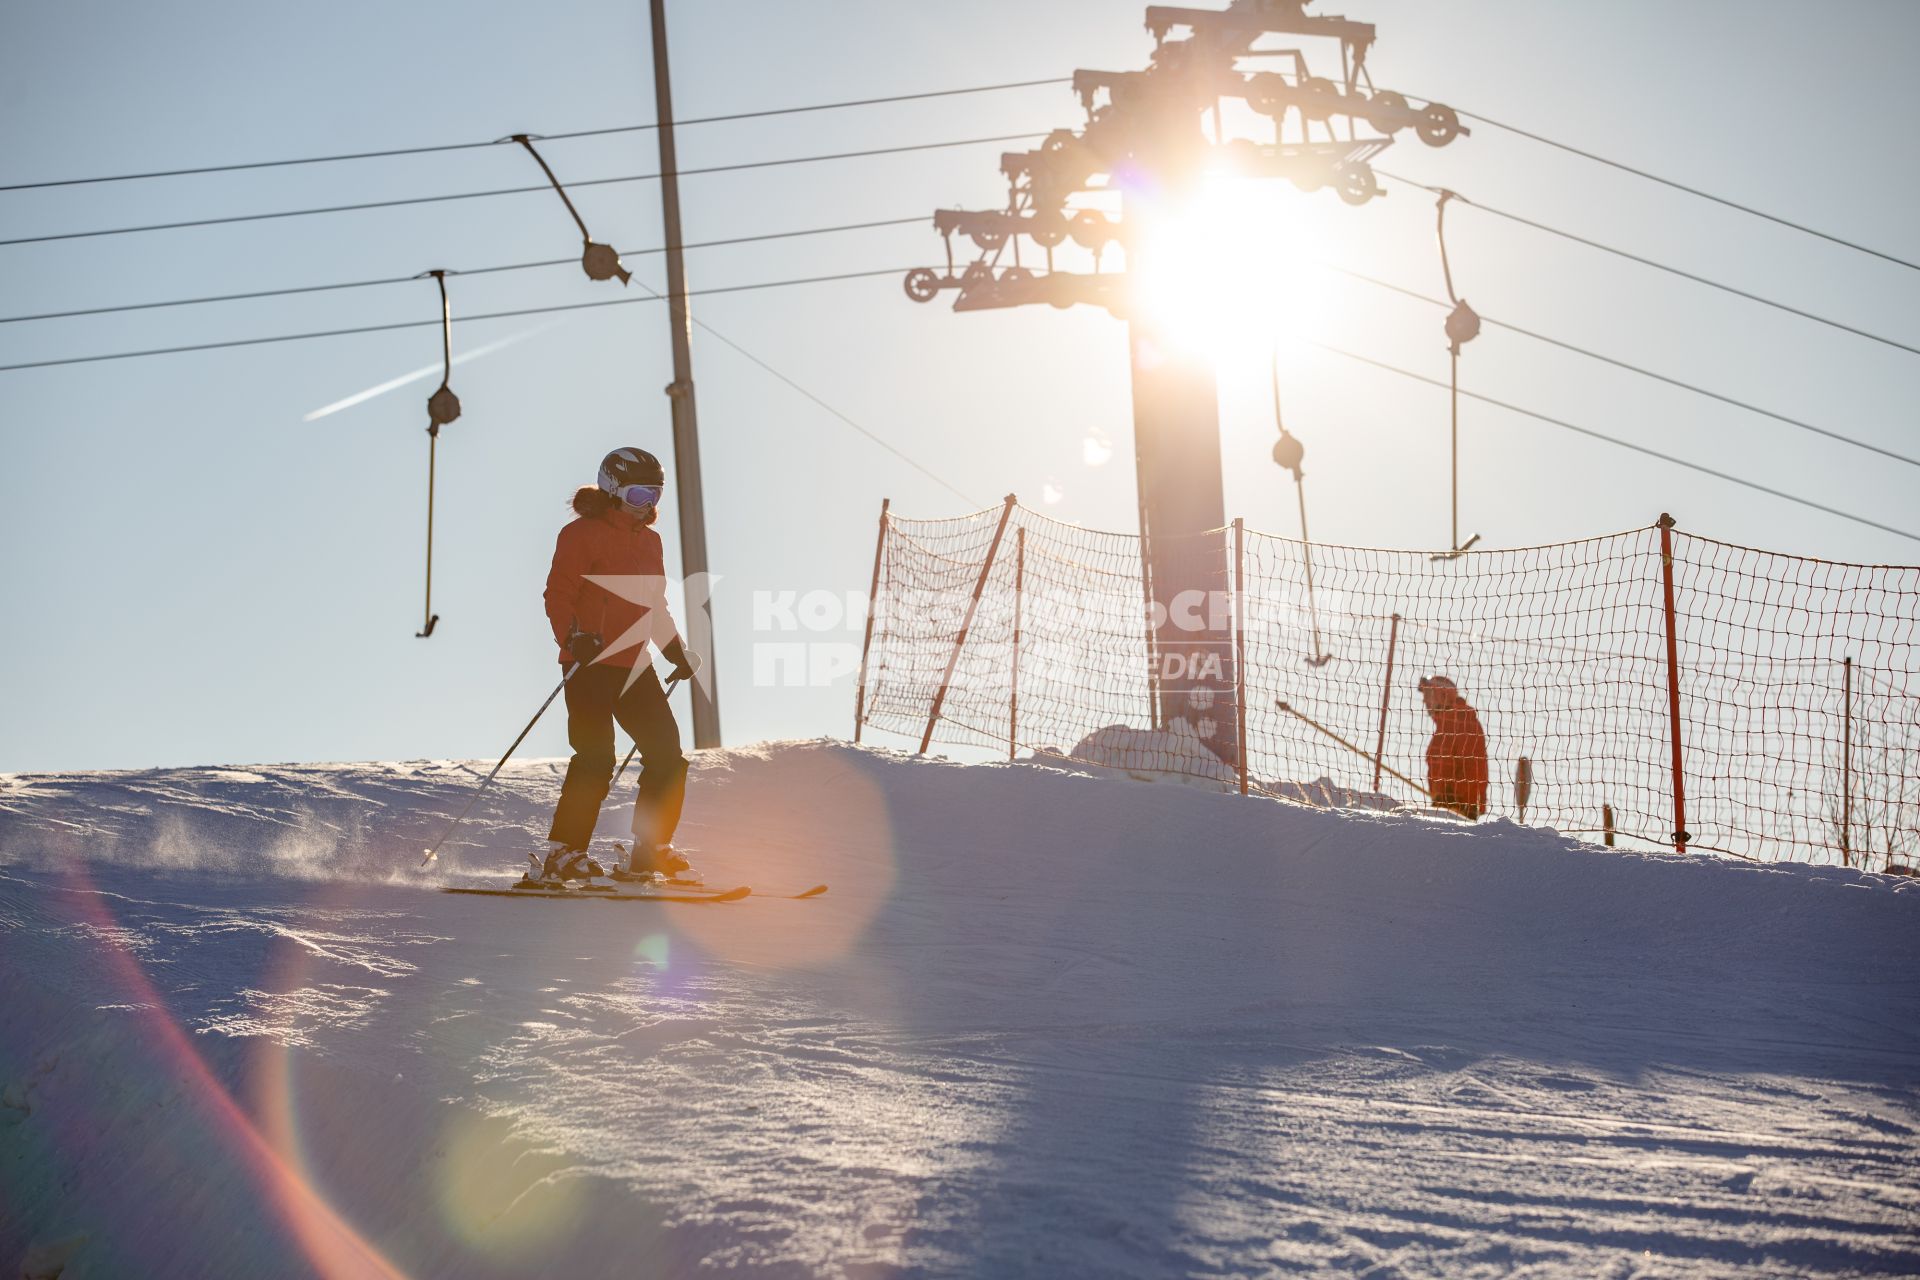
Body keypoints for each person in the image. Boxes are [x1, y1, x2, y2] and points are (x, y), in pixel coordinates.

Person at [533, 446, 699, 886]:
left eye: (656, 495)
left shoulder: (650, 542)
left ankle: (650, 851)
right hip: (588, 662)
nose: (649, 505)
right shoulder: (582, 533)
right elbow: (558, 592)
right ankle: (564, 853)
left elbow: (654, 605)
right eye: (640, 494)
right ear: (612, 488)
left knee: (667, 755)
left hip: (632, 663)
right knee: (596, 757)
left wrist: (673, 650)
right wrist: (572, 638)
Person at [1418, 675, 1488, 820]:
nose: (1425, 700)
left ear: (1443, 695)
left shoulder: (1462, 720)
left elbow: (1472, 764)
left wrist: (1455, 798)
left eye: (1429, 694)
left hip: (1458, 808)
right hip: (1446, 806)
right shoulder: (1445, 726)